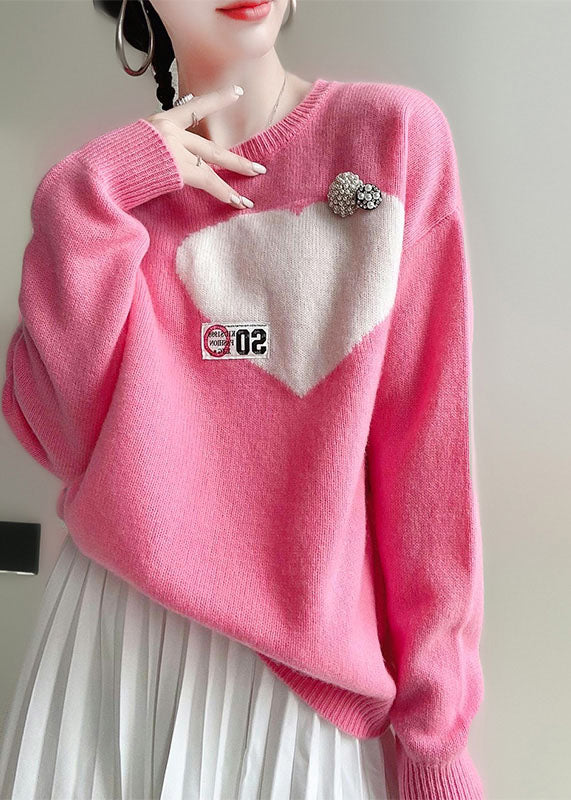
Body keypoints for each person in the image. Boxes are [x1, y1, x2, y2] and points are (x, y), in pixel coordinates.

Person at [0, 0, 485, 798]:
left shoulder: (392, 139)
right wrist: (90, 191)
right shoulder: (109, 198)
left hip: (302, 688)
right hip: (112, 656)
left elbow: (426, 463)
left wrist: (434, 738)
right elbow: (58, 435)